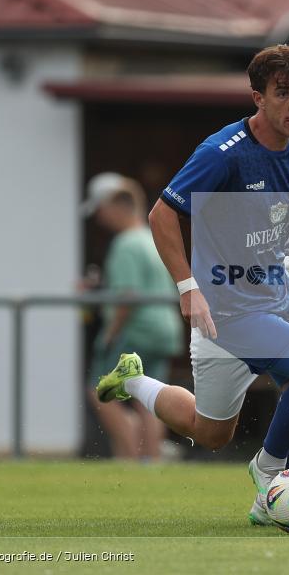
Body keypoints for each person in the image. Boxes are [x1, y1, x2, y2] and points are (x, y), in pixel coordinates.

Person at [96, 45, 289, 526]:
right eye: (283, 93)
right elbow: (162, 215)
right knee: (251, 413)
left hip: (279, 301)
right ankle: (266, 471)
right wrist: (187, 287)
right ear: (257, 98)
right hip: (226, 309)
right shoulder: (223, 154)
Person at [82, 173, 182, 460]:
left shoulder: (125, 244)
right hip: (164, 330)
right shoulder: (151, 240)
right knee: (148, 399)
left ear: (114, 206)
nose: (100, 219)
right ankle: (151, 461)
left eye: (100, 211)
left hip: (135, 331)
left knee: (101, 391)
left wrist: (110, 335)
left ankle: (130, 457)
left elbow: (128, 296)